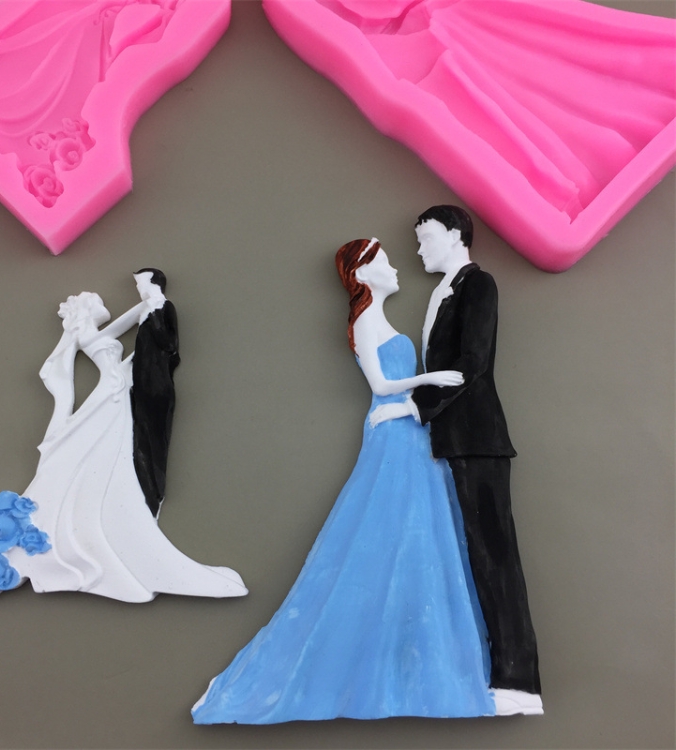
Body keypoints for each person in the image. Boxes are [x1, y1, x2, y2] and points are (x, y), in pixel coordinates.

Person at [191, 238, 496, 723]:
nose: (396, 268)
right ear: (363, 273)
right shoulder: (366, 320)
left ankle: (417, 666)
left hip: (411, 432)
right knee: (382, 531)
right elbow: (379, 385)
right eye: (385, 262)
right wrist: (426, 379)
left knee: (420, 535)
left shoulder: (379, 318)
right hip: (392, 430)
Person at [371, 205, 542, 715]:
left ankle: (519, 682)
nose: (419, 249)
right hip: (452, 440)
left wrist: (411, 406)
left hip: (478, 439)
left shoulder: (478, 285)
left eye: (425, 238)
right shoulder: (442, 292)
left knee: (494, 556)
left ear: (453, 235)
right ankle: (491, 674)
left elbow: (473, 364)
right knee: (472, 556)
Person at [5, 289, 247, 603]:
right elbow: (69, 368)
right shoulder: (86, 333)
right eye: (95, 305)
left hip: (116, 392)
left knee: (112, 461)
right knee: (105, 460)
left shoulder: (94, 333)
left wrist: (151, 302)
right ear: (86, 312)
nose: (101, 309)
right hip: (111, 396)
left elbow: (131, 325)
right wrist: (150, 299)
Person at [130, 268, 179, 517]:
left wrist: (155, 313)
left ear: (152, 283)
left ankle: (154, 492)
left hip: (157, 384)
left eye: (141, 283)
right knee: (139, 432)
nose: (139, 289)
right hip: (140, 381)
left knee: (155, 436)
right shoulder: (145, 310)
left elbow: (170, 345)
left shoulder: (164, 307)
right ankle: (143, 491)